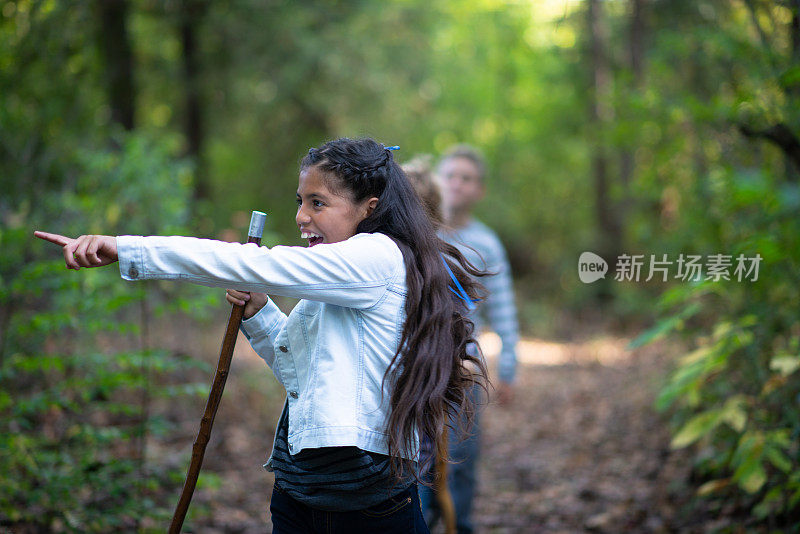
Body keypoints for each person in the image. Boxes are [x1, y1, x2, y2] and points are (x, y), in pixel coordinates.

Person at [34, 137, 490, 533]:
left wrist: (126, 247)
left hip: (366, 499)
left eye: (318, 202)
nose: (301, 217)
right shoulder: (337, 273)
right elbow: (297, 371)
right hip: (301, 489)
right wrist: (259, 312)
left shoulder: (376, 257)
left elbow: (257, 263)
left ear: (368, 208)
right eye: (300, 200)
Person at [419, 144, 520, 534]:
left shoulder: (488, 243)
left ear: (480, 190)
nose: (457, 184)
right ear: (436, 182)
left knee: (461, 457)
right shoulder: (416, 233)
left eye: (468, 178)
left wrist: (508, 367)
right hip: (413, 364)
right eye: (450, 176)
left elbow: (504, 310)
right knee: (416, 458)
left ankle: (459, 526)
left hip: (463, 367)